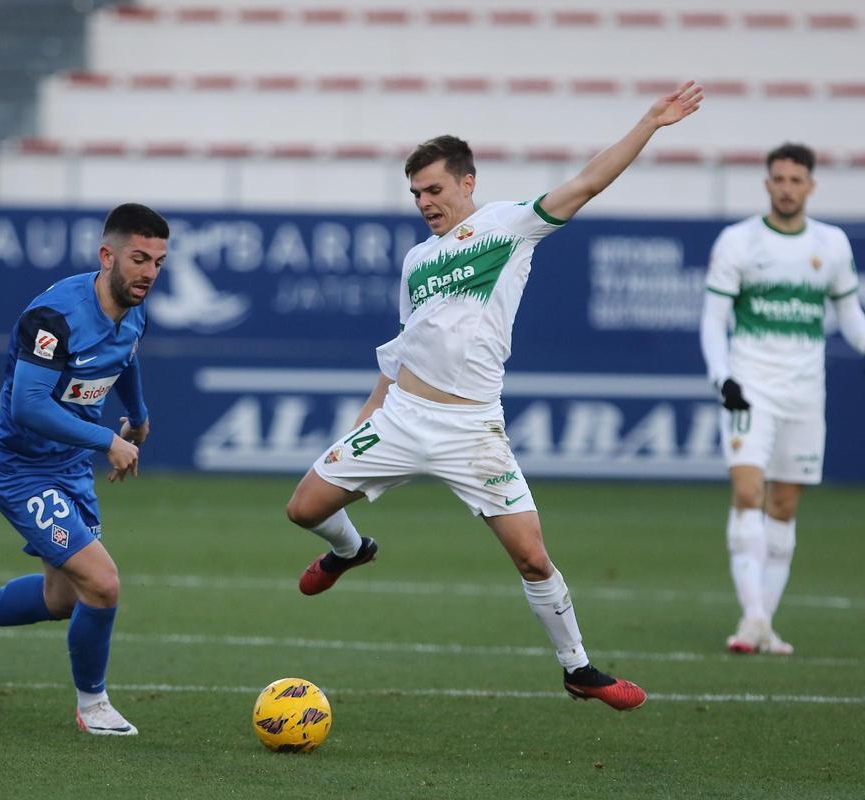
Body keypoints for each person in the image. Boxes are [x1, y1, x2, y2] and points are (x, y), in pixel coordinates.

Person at [285, 81, 705, 712]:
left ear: (468, 183)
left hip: (471, 429)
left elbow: (587, 183)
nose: (425, 202)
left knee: (533, 559)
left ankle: (578, 668)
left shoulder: (509, 227)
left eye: (435, 189)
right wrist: (364, 421)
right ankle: (353, 549)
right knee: (303, 508)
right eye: (416, 193)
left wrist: (650, 121)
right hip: (402, 417)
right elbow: (402, 348)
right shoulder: (416, 260)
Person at [0, 203, 167, 736]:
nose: (149, 272)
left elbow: (126, 357)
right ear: (107, 256)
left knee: (63, 599)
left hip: (68, 465)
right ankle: (93, 705)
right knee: (103, 584)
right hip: (19, 469)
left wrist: (140, 417)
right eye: (138, 258)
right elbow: (29, 407)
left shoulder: (135, 306)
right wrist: (109, 440)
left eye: (157, 261)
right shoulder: (54, 318)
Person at [700, 143, 865, 655]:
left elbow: (851, 320)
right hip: (752, 387)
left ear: (811, 185)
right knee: (749, 493)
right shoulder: (739, 242)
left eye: (797, 179)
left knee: (785, 506)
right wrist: (722, 377)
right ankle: (752, 618)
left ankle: (764, 624)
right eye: (779, 179)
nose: (787, 188)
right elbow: (712, 319)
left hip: (804, 392)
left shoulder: (832, 244)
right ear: (767, 184)